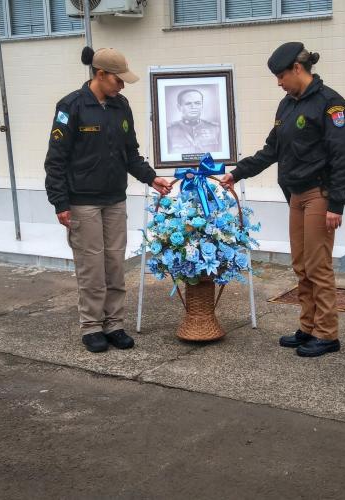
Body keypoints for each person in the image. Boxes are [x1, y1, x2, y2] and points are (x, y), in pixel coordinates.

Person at [220, 42, 345, 358]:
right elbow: (272, 150)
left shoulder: (330, 103)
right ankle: (308, 327)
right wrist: (237, 173)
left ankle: (327, 334)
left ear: (297, 69)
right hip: (296, 195)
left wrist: (337, 203)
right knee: (301, 265)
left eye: (281, 75)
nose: (278, 82)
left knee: (318, 265)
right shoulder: (287, 105)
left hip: (319, 195)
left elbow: (344, 157)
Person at [44, 47, 172, 353]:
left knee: (114, 263)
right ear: (100, 74)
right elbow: (56, 160)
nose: (122, 86)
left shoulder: (120, 106)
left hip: (115, 198)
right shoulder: (71, 106)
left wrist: (150, 177)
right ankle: (91, 326)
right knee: (91, 266)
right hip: (83, 201)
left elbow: (130, 152)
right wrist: (60, 203)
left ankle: (114, 324)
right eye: (118, 80)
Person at [166, 88, 222, 155]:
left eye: (197, 103)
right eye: (188, 103)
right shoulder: (169, 131)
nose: (193, 107)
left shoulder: (215, 129)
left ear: (202, 106)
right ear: (179, 107)